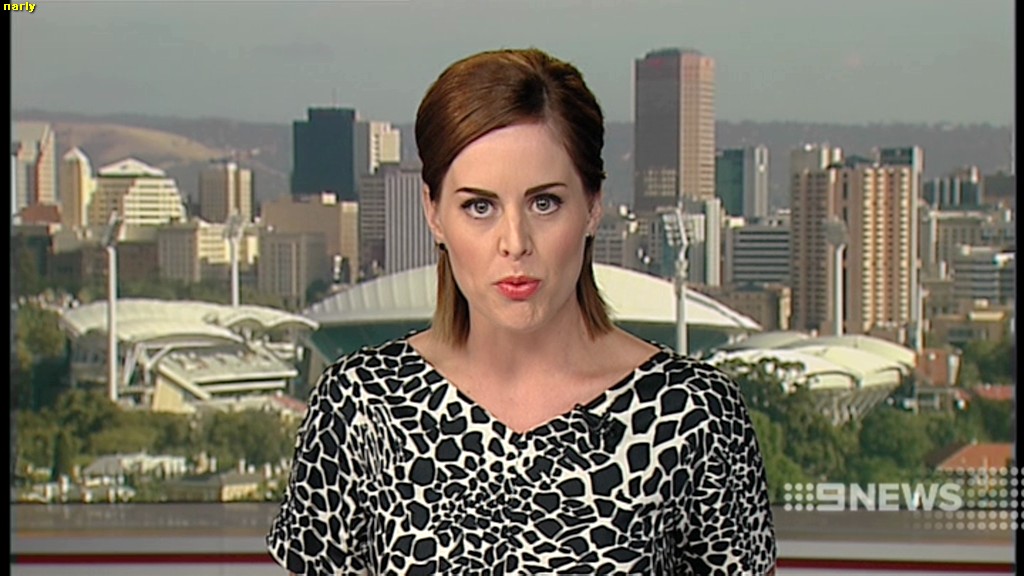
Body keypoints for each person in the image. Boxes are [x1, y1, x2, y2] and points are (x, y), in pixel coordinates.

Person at [267, 47, 777, 575]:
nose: (515, 242)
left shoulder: (693, 414)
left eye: (544, 203)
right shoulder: (361, 406)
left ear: (593, 205)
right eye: (479, 206)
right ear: (433, 214)